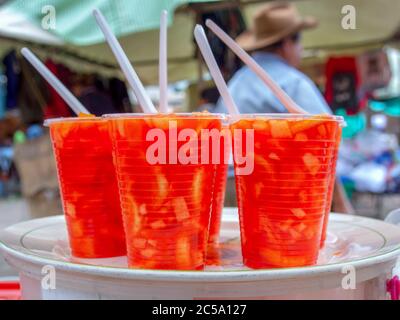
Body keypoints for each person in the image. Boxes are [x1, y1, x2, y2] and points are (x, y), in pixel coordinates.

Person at [216, 2, 354, 213]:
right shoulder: (295, 83)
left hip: (228, 194)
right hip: (279, 193)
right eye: (299, 43)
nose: (301, 50)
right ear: (287, 44)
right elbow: (325, 141)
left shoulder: (234, 84)